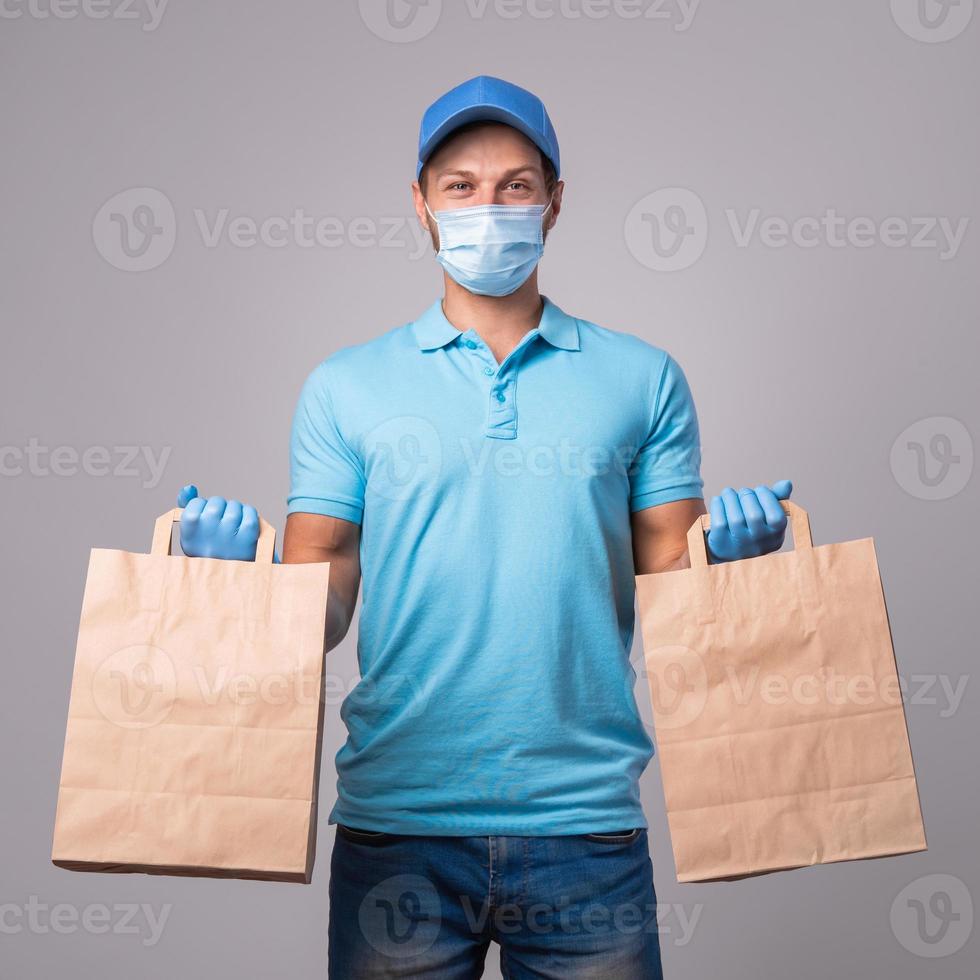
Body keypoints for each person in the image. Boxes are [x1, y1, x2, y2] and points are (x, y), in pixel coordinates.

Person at [176, 75, 793, 979]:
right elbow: (325, 602)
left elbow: (676, 591)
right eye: (461, 186)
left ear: (553, 203)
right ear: (420, 203)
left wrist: (732, 564)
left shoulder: (643, 378)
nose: (488, 206)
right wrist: (240, 582)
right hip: (400, 826)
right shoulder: (345, 387)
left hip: (585, 825)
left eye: (514, 185)